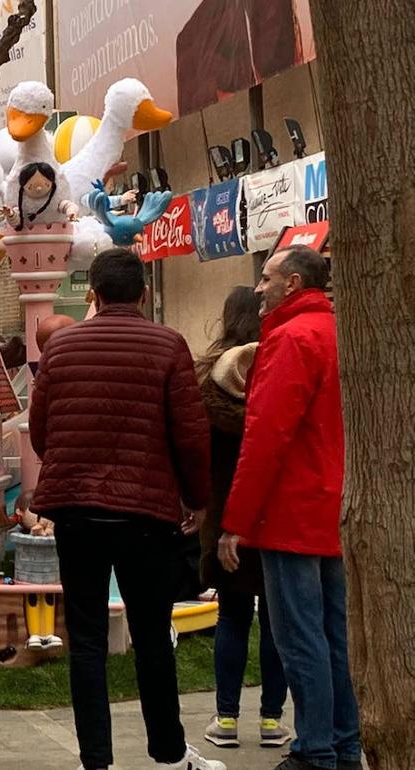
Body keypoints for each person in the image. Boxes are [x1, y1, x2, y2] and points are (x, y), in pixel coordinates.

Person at [28, 248, 224, 770]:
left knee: (86, 638)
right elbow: (191, 435)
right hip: (145, 512)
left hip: (75, 510)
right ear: (144, 293)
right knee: (152, 634)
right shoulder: (168, 344)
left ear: (92, 294)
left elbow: (42, 431)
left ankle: (96, 760)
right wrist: (197, 500)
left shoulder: (61, 348)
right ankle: (169, 753)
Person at [218, 246, 361, 770]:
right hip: (335, 505)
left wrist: (235, 522)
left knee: (300, 638)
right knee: (335, 636)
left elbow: (266, 436)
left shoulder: (290, 338)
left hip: (292, 512)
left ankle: (315, 750)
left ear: (293, 283)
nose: (259, 288)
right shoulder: (341, 332)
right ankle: (344, 746)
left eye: (267, 278)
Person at [196, 287, 290, 750]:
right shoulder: (281, 368)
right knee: (276, 621)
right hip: (278, 513)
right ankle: (272, 720)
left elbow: (198, 452)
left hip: (224, 515)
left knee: (232, 617)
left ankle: (226, 719)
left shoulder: (208, 381)